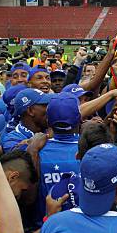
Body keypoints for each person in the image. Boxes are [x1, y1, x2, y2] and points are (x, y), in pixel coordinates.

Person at [35, 92, 82, 224]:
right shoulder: (91, 150)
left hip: (45, 228)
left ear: (48, 121)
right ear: (80, 118)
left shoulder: (35, 150)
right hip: (84, 228)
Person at [0, 88, 52, 153]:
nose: (50, 108)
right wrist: (34, 143)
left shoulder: (52, 130)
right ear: (30, 111)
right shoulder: (11, 140)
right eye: (45, 105)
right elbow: (20, 158)